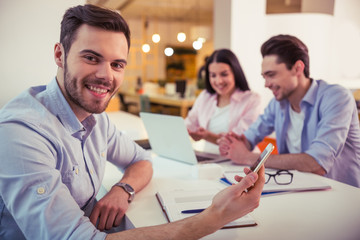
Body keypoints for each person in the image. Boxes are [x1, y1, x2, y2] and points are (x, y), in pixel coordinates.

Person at [0, 4, 265, 239]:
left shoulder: (96, 120)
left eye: (117, 64)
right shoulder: (21, 132)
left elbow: (141, 160)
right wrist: (215, 216)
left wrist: (122, 189)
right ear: (59, 55)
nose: (106, 75)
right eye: (91, 58)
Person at [218, 34, 360, 188]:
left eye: (271, 75)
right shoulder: (277, 104)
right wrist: (233, 143)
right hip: (297, 189)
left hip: (341, 194)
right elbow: (249, 138)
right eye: (264, 77)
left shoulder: (336, 97)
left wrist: (246, 157)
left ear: (298, 68)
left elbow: (316, 163)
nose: (266, 84)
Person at [185, 49, 261, 146]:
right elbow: (189, 123)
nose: (219, 81)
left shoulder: (251, 100)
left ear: (235, 73)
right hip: (207, 157)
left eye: (224, 74)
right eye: (213, 75)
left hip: (237, 159)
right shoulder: (205, 96)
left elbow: (242, 140)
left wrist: (207, 136)